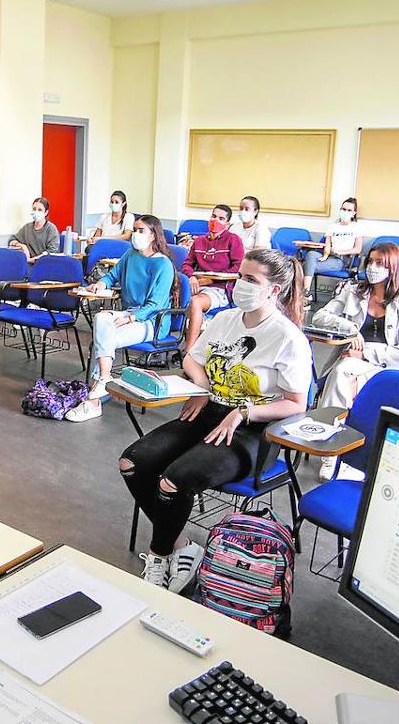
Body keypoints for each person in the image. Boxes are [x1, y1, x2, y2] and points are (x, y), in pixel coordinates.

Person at [118, 248, 310, 591]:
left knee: (173, 481)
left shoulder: (287, 337)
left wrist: (244, 412)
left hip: (253, 431)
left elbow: (296, 404)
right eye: (240, 276)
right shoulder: (225, 320)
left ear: (274, 290)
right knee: (133, 462)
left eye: (251, 280)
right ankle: (181, 548)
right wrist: (203, 386)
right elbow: (193, 359)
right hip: (208, 412)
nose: (241, 284)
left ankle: (158, 558)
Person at [310, 242, 399, 480]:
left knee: (346, 375)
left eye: (380, 263)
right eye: (370, 261)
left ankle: (342, 451)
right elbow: (320, 316)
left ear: (393, 267)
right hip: (351, 362)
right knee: (344, 372)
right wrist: (349, 328)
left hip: (389, 367)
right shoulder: (354, 291)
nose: (373, 267)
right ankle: (335, 453)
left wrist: (367, 351)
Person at [65, 215, 178, 423]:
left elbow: (155, 305)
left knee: (103, 338)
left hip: (152, 322)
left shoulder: (163, 265)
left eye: (141, 230)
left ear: (154, 235)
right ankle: (101, 385)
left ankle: (94, 398)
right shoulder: (131, 254)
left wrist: (131, 318)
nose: (136, 234)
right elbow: (112, 276)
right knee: (102, 325)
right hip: (128, 315)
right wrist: (102, 284)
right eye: (134, 229)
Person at [180, 204, 244, 353]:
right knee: (173, 295)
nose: (216, 220)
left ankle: (189, 352)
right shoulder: (199, 241)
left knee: (195, 302)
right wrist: (191, 277)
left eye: (221, 218)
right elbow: (187, 264)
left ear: (227, 224)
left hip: (220, 288)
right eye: (214, 216)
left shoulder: (233, 240)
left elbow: (238, 268)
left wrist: (211, 280)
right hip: (197, 284)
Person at [304, 197, 363, 291]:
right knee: (311, 254)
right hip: (328, 256)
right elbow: (327, 244)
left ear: (354, 213)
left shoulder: (356, 228)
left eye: (349, 210)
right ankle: (305, 292)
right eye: (343, 209)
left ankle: (305, 292)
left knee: (304, 266)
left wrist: (339, 251)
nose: (345, 212)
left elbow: (358, 249)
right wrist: (326, 255)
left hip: (341, 260)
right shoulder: (332, 227)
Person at [9, 197, 60, 262]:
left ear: (46, 213)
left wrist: (31, 260)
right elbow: (11, 240)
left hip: (45, 264)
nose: (36, 212)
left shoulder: (51, 229)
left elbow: (52, 252)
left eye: (40, 210)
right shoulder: (27, 228)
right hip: (27, 265)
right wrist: (22, 246)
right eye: (34, 209)